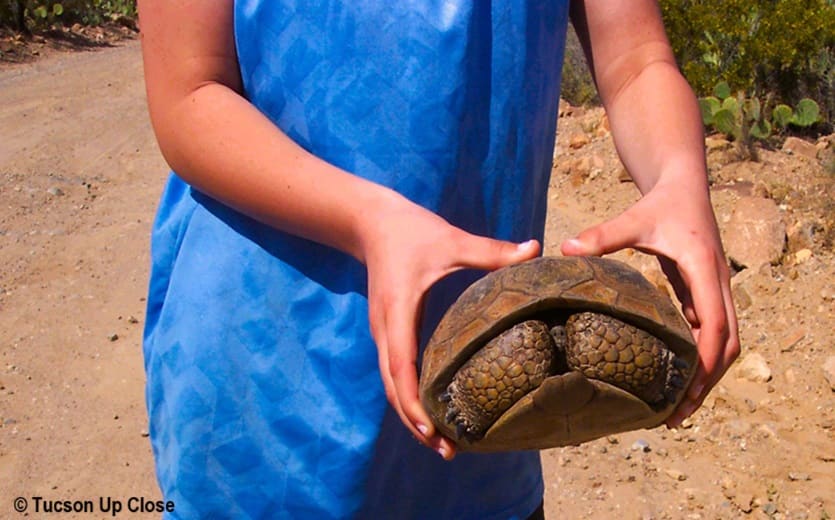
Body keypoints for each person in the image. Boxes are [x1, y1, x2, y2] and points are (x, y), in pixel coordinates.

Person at [138, 1, 739, 518]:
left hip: (489, 393)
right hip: (264, 373)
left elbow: (635, 62)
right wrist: (368, 220)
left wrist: (679, 176)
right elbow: (189, 91)